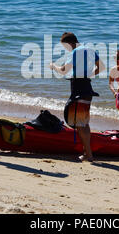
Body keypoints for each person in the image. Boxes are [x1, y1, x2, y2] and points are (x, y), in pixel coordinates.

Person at [49, 32, 105, 162]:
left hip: (79, 90)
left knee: (81, 124)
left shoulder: (75, 52)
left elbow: (63, 70)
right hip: (87, 88)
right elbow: (101, 67)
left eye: (65, 46)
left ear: (70, 43)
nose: (66, 49)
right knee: (84, 122)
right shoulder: (90, 50)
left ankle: (89, 155)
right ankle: (86, 152)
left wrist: (53, 66)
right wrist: (88, 75)